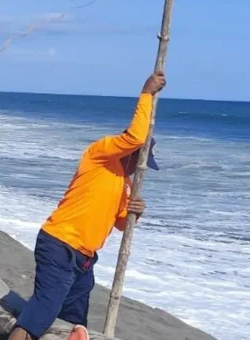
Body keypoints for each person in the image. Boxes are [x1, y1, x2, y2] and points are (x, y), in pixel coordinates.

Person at [9, 72, 167, 340]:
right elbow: (136, 137)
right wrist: (146, 94)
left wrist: (134, 213)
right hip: (60, 243)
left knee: (75, 319)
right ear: (132, 154)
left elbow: (119, 222)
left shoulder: (125, 184)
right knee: (44, 308)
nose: (140, 169)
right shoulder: (100, 155)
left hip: (84, 258)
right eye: (140, 161)